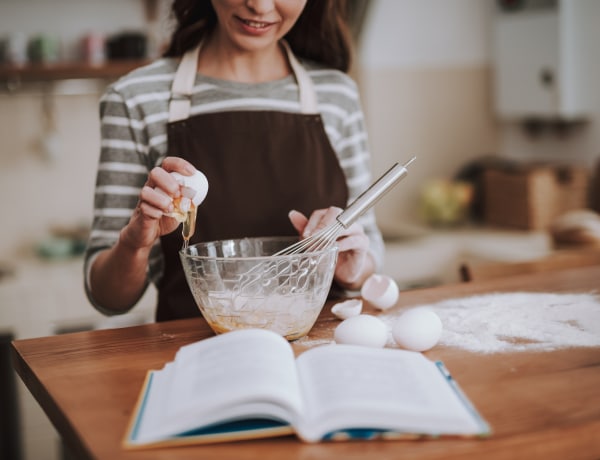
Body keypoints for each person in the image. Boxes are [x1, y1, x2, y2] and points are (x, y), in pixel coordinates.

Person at [84, 0, 385, 321]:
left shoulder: (337, 95)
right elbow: (107, 298)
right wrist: (134, 245)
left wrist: (352, 268)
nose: (259, 5)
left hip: (322, 351)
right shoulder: (135, 97)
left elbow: (370, 249)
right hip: (197, 354)